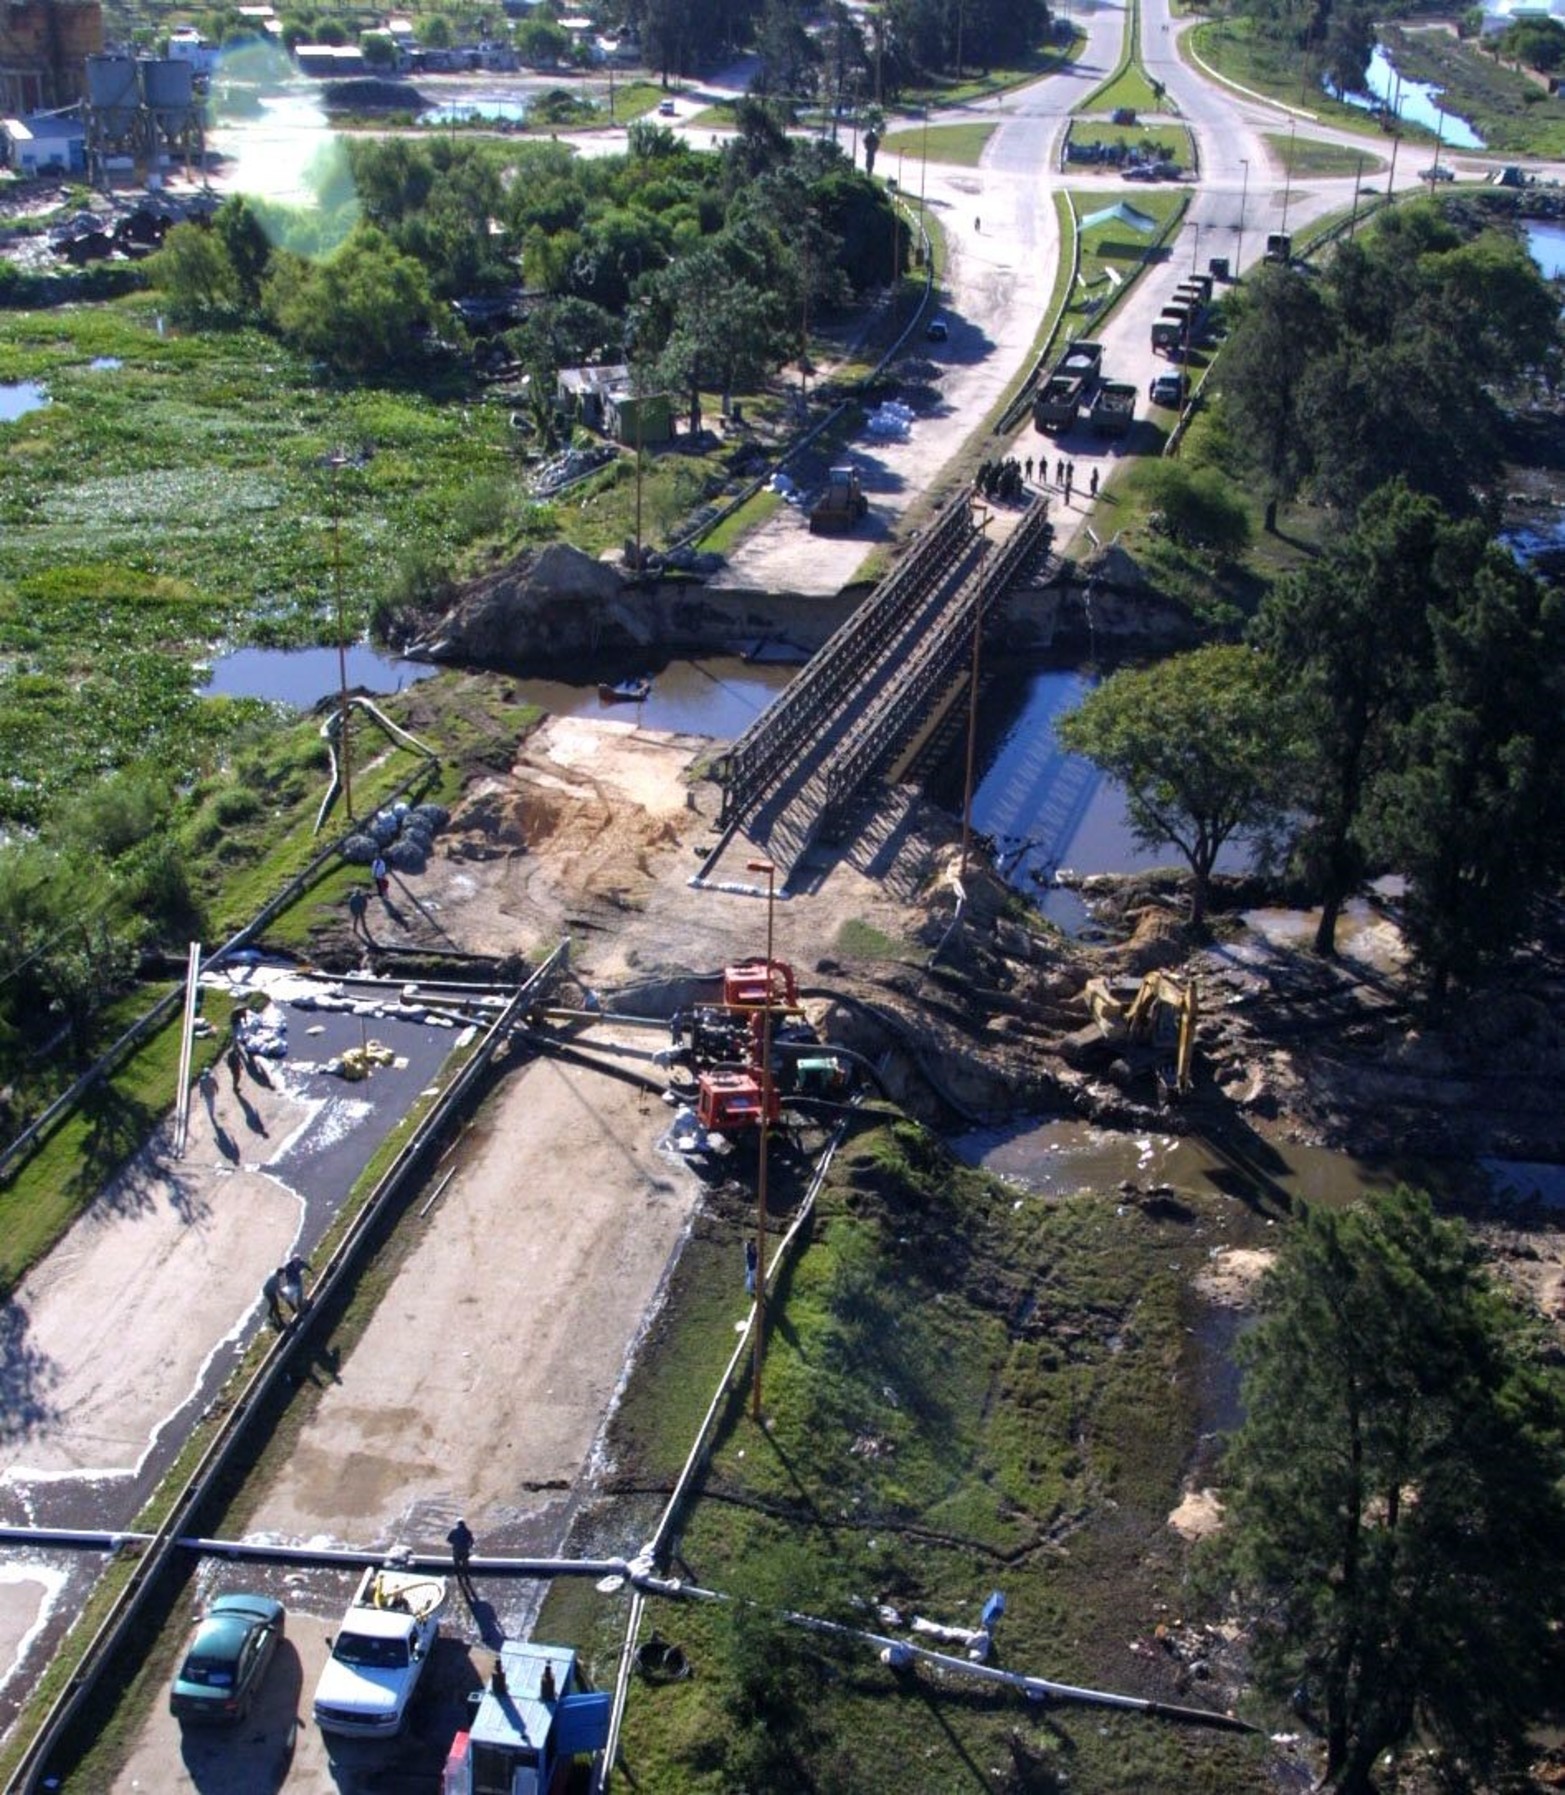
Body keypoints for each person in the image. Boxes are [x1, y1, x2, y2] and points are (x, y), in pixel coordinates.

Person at [448, 1517, 476, 1594]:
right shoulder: (468, 1532)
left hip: (456, 1550)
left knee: (456, 1563)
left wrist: (455, 1543)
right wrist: (468, 1546)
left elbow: (449, 1540)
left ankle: (458, 1577)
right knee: (465, 1563)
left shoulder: (454, 1531)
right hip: (464, 1550)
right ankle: (466, 1577)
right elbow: (472, 1541)